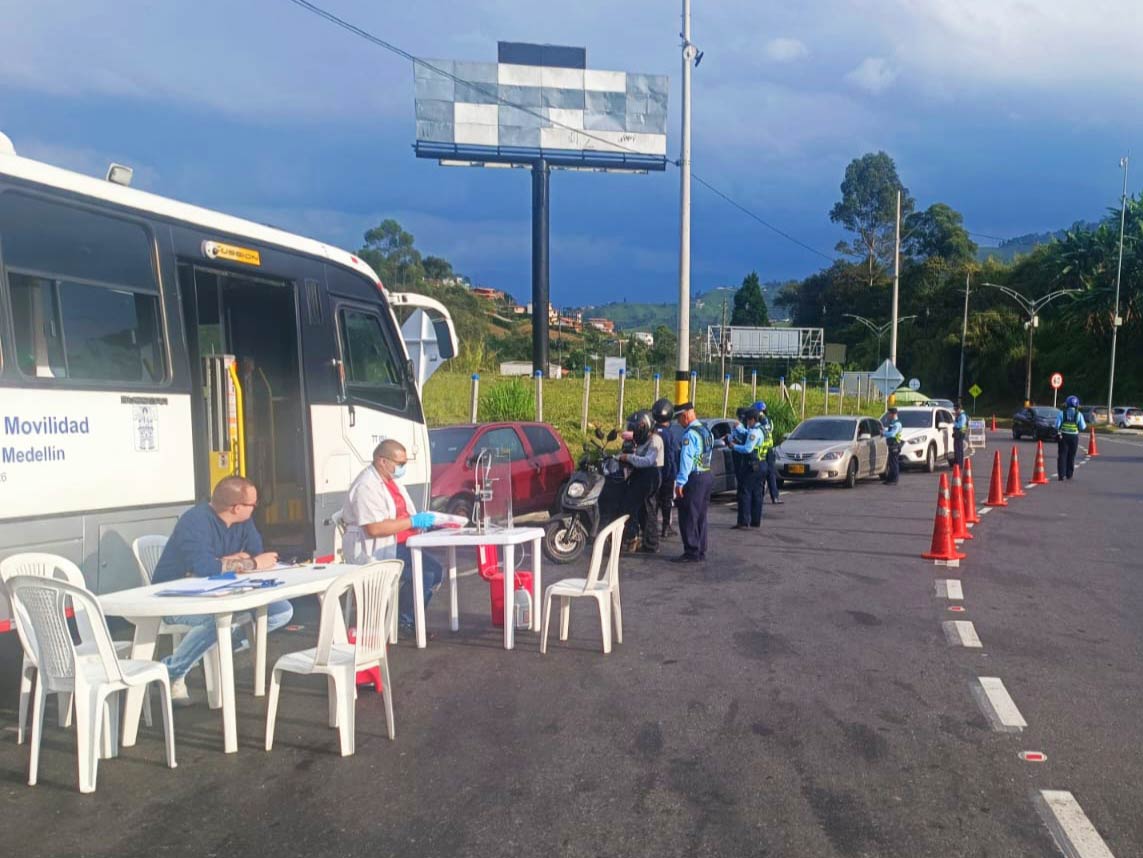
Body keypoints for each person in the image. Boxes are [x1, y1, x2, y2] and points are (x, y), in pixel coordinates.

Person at [152, 475, 290, 706]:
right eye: (253, 505)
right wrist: (251, 564)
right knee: (218, 620)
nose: (256, 509)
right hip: (174, 597)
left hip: (219, 591)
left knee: (280, 611)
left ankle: (200, 650)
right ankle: (173, 670)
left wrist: (228, 562)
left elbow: (255, 550)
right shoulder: (194, 522)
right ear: (237, 508)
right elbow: (206, 567)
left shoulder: (243, 522)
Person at [340, 440, 442, 636]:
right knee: (426, 572)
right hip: (373, 548)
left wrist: (423, 522)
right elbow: (375, 529)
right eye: (400, 463)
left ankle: (402, 617)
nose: (402, 468)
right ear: (382, 461)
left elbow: (402, 513)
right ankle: (405, 622)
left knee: (435, 570)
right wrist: (413, 522)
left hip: (398, 543)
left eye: (405, 463)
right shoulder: (366, 486)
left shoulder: (390, 481)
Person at [672, 402, 714, 563]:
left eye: (679, 419)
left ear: (685, 416)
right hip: (706, 474)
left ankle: (691, 551)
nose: (679, 423)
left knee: (688, 515)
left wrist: (680, 483)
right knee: (701, 515)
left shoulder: (689, 435)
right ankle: (701, 550)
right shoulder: (706, 431)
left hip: (694, 478)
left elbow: (686, 460)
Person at [617, 410, 664, 552]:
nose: (635, 431)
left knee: (644, 509)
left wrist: (628, 458)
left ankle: (648, 542)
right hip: (642, 474)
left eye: (636, 428)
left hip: (650, 474)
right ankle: (641, 539)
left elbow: (648, 461)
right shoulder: (645, 439)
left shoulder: (655, 439)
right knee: (641, 509)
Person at [731, 408, 765, 529]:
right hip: (762, 464)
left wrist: (734, 446)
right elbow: (748, 433)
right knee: (757, 493)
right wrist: (740, 429)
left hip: (752, 464)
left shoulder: (754, 432)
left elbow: (747, 449)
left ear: (752, 420)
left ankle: (743, 521)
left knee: (744, 491)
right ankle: (756, 521)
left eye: (747, 420)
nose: (747, 422)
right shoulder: (763, 429)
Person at [651, 398, 679, 539]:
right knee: (666, 501)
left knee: (654, 501)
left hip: (653, 472)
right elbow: (670, 455)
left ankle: (652, 528)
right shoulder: (669, 434)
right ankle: (666, 527)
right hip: (666, 474)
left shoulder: (653, 431)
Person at [753, 400, 781, 504]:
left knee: (762, 474)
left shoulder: (761, 422)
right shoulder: (769, 421)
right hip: (769, 450)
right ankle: (775, 497)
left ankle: (761, 497)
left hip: (763, 450)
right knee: (770, 474)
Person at [1055, 395, 1087, 481]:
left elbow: (1057, 425)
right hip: (1074, 437)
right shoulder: (1078, 414)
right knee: (1071, 455)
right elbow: (1083, 427)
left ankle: (1061, 475)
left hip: (1063, 436)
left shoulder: (1062, 413)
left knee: (1062, 455)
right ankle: (1069, 474)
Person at [883, 406, 903, 485]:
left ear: (893, 414)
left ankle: (894, 480)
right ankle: (890, 479)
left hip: (895, 445)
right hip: (891, 445)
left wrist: (883, 433)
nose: (888, 415)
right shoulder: (893, 422)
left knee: (894, 463)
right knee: (891, 463)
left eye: (889, 414)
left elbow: (892, 434)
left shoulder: (897, 424)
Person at [952, 401, 968, 469]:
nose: (955, 411)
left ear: (959, 409)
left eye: (956, 409)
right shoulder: (958, 415)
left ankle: (959, 464)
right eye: (954, 409)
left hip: (960, 433)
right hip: (958, 433)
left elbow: (961, 425)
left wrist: (954, 425)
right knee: (956, 448)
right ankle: (957, 463)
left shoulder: (962, 416)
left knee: (959, 449)